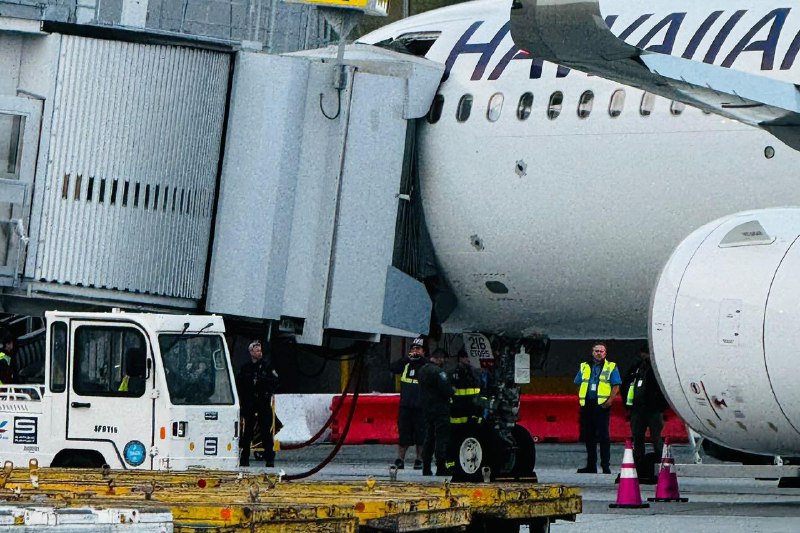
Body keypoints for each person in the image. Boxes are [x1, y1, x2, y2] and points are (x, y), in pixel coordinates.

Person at [574, 341, 621, 474]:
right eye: (596, 351)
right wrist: (581, 397)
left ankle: (605, 465)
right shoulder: (584, 366)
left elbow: (616, 385)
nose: (598, 353)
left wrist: (610, 401)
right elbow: (578, 383)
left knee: (603, 436)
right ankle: (591, 465)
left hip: (602, 405)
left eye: (601, 351)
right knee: (589, 436)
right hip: (588, 404)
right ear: (592, 353)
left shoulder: (611, 367)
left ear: (605, 353)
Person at [625, 344, 669, 481]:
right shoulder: (636, 368)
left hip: (653, 410)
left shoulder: (658, 369)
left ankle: (662, 465)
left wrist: (660, 407)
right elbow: (626, 385)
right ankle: (638, 463)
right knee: (637, 437)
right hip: (638, 409)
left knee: (657, 438)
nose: (646, 357)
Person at [237, 339, 280, 467]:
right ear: (251, 352)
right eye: (256, 350)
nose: (259, 353)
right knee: (248, 432)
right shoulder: (246, 368)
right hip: (250, 404)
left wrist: (263, 385)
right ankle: (244, 458)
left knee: (265, 432)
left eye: (260, 350)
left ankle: (269, 458)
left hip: (263, 403)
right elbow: (240, 384)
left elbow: (275, 381)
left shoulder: (267, 367)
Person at [390, 336, 427, 470]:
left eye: (418, 349)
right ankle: (400, 459)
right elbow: (393, 368)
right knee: (404, 434)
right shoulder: (405, 364)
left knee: (421, 435)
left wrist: (422, 360)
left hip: (421, 407)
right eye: (413, 349)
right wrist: (406, 359)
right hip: (406, 406)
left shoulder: (426, 365)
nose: (415, 351)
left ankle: (419, 459)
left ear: (423, 351)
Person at [419, 348, 454, 476]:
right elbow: (447, 391)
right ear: (439, 358)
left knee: (428, 437)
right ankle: (440, 466)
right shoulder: (439, 372)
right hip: (440, 409)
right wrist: (452, 391)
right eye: (443, 359)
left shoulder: (422, 370)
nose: (444, 361)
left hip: (427, 408)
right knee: (441, 437)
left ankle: (426, 467)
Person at [450, 349, 482, 427]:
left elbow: (480, 389)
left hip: (473, 409)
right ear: (460, 358)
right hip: (458, 409)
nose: (468, 359)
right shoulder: (452, 372)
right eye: (466, 357)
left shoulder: (474, 372)